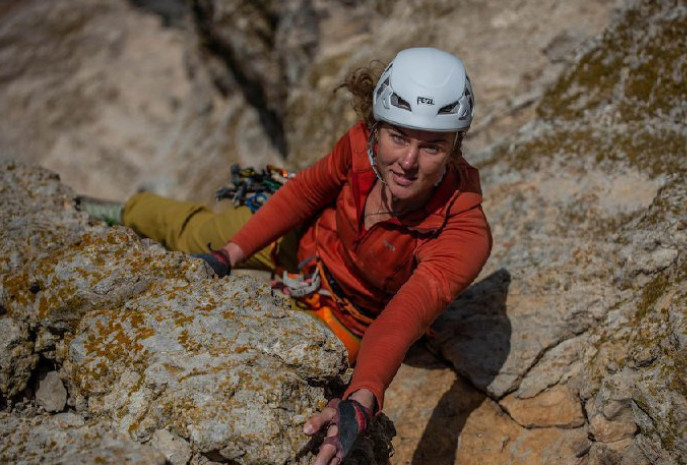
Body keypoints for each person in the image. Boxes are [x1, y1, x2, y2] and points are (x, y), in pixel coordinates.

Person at [79, 47, 492, 464]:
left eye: (431, 147)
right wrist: (228, 254)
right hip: (303, 242)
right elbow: (307, 190)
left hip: (348, 315)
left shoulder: (463, 233)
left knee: (277, 378)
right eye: (398, 136)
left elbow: (404, 316)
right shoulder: (358, 146)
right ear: (376, 128)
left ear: (455, 148)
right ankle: (115, 212)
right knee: (200, 233)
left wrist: (362, 398)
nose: (407, 161)